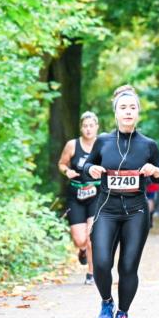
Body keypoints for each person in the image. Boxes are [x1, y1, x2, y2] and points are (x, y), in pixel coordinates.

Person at [82, 85, 159, 318]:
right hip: (106, 210)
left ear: (138, 113)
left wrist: (155, 171)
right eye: (123, 108)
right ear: (116, 113)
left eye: (132, 108)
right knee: (100, 262)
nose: (128, 112)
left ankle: (123, 312)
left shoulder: (148, 145)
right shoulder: (103, 141)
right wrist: (91, 170)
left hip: (136, 212)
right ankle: (107, 301)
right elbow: (86, 167)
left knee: (128, 266)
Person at [58, 112, 101, 286]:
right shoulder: (72, 145)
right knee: (79, 239)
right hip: (76, 195)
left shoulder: (103, 144)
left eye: (91, 125)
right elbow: (61, 163)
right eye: (85, 126)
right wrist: (67, 171)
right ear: (81, 128)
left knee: (92, 236)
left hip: (96, 194)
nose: (88, 129)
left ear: (96, 127)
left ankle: (91, 273)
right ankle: (82, 250)